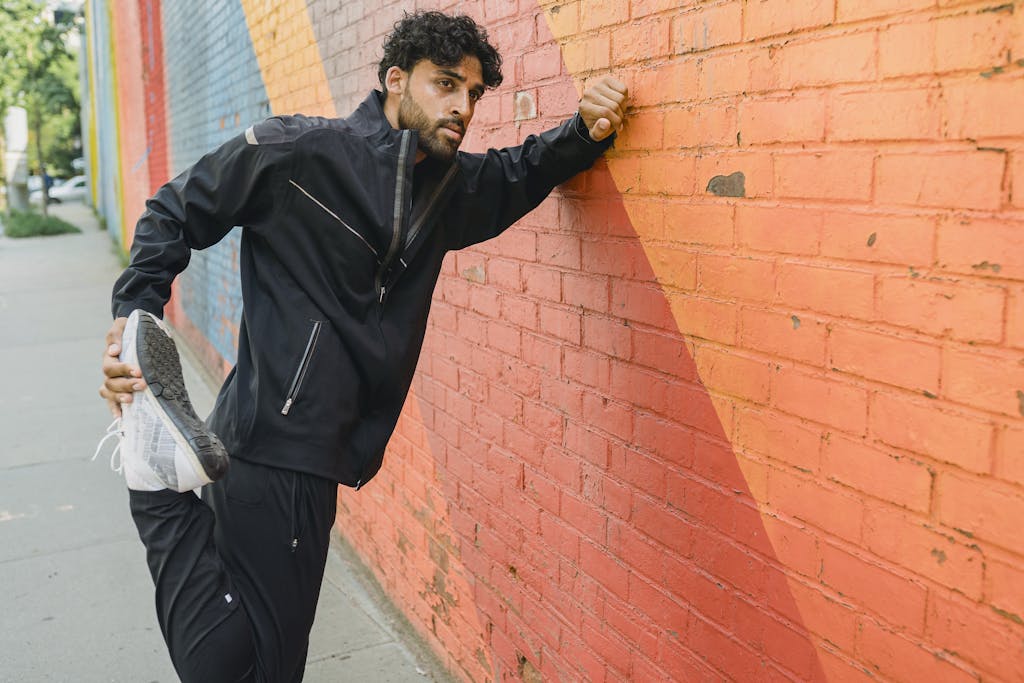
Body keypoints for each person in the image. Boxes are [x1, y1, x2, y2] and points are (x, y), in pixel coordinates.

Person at [98, 10, 628, 682]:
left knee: (251, 656)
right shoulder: (299, 152)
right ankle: (154, 491)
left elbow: (520, 173)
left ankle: (156, 488)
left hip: (286, 450)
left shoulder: (446, 190)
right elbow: (176, 208)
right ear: (395, 80)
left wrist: (586, 131)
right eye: (445, 85)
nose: (462, 106)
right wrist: (134, 315)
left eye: (473, 94)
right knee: (257, 667)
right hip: (278, 445)